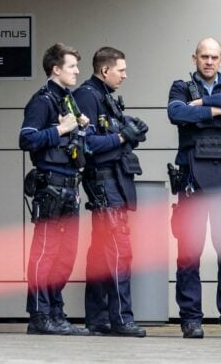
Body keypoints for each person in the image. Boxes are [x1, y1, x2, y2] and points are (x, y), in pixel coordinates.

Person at [167, 37, 221, 340]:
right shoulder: (180, 87)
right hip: (192, 182)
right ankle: (191, 318)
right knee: (189, 252)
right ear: (195, 58)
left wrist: (202, 105)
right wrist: (217, 112)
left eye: (214, 57)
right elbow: (176, 113)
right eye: (204, 56)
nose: (209, 62)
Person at [73, 47, 149, 338]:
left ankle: (99, 318)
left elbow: (111, 139)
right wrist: (121, 136)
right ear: (105, 70)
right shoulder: (87, 96)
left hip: (114, 181)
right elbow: (88, 144)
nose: (125, 75)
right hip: (103, 183)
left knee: (102, 255)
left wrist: (130, 133)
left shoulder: (103, 96)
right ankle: (121, 319)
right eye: (121, 70)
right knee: (119, 252)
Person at [19, 43, 90, 336]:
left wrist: (80, 125)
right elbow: (26, 139)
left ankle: (56, 313)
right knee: (45, 253)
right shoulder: (42, 100)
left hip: (71, 187)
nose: (76, 71)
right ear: (56, 69)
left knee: (65, 256)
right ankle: (39, 315)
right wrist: (61, 130)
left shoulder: (68, 100)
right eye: (72, 66)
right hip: (50, 186)